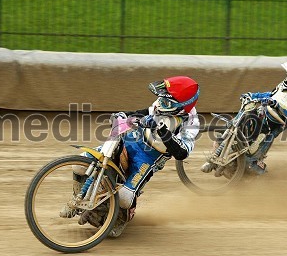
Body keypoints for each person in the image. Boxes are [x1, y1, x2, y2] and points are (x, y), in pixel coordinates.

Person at [61, 76, 200, 237]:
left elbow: (182, 153)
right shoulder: (164, 103)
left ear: (183, 108)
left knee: (125, 197)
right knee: (79, 163)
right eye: (161, 99)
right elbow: (144, 112)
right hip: (131, 139)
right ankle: (77, 200)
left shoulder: (191, 123)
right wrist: (124, 115)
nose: (160, 104)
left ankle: (122, 217)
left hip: (148, 159)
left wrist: (162, 130)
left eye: (166, 103)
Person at [202, 61, 287, 175]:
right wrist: (253, 95)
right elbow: (270, 96)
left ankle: (256, 170)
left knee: (248, 164)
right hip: (258, 116)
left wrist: (279, 107)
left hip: (269, 130)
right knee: (228, 131)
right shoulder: (284, 85)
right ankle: (214, 159)